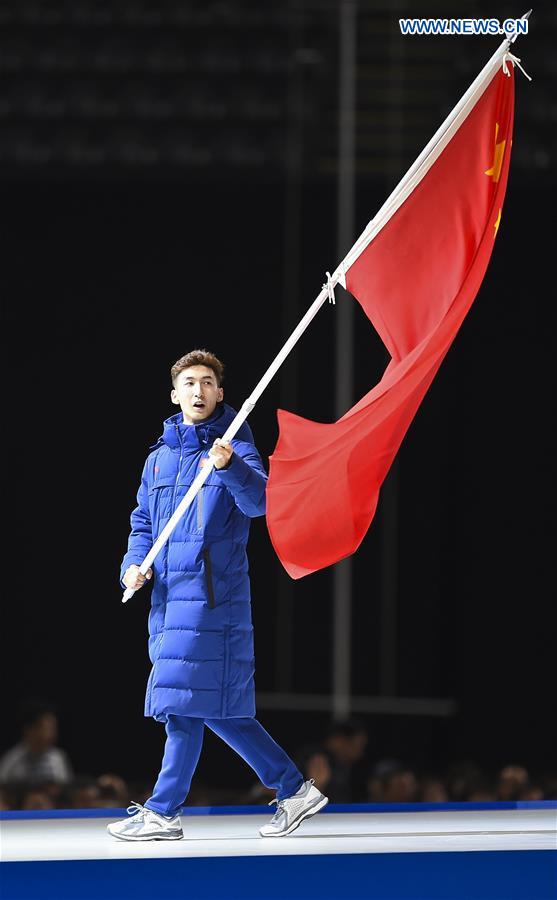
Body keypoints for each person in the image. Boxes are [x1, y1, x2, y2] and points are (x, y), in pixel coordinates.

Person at [107, 350, 327, 841]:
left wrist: (229, 467)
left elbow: (260, 502)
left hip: (212, 599)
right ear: (175, 394)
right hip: (168, 599)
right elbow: (143, 523)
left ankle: (163, 811)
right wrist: (133, 567)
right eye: (189, 382)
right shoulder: (158, 459)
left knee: (183, 704)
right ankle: (294, 788)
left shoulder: (234, 444)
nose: (198, 390)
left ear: (220, 393)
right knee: (215, 707)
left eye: (207, 382)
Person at [0, 699, 73, 787]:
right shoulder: (11, 761)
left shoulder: (58, 758)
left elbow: (66, 790)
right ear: (29, 729)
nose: (53, 734)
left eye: (54, 728)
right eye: (48, 728)